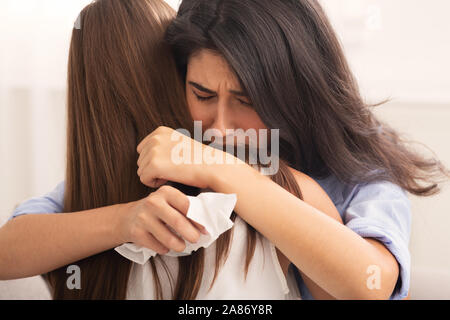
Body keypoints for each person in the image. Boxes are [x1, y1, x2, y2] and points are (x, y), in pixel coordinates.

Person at [0, 0, 341, 300]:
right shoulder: (291, 189)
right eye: (203, 95)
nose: (221, 128)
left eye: (245, 100)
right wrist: (124, 220)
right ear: (178, 78)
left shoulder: (289, 191)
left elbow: (369, 284)